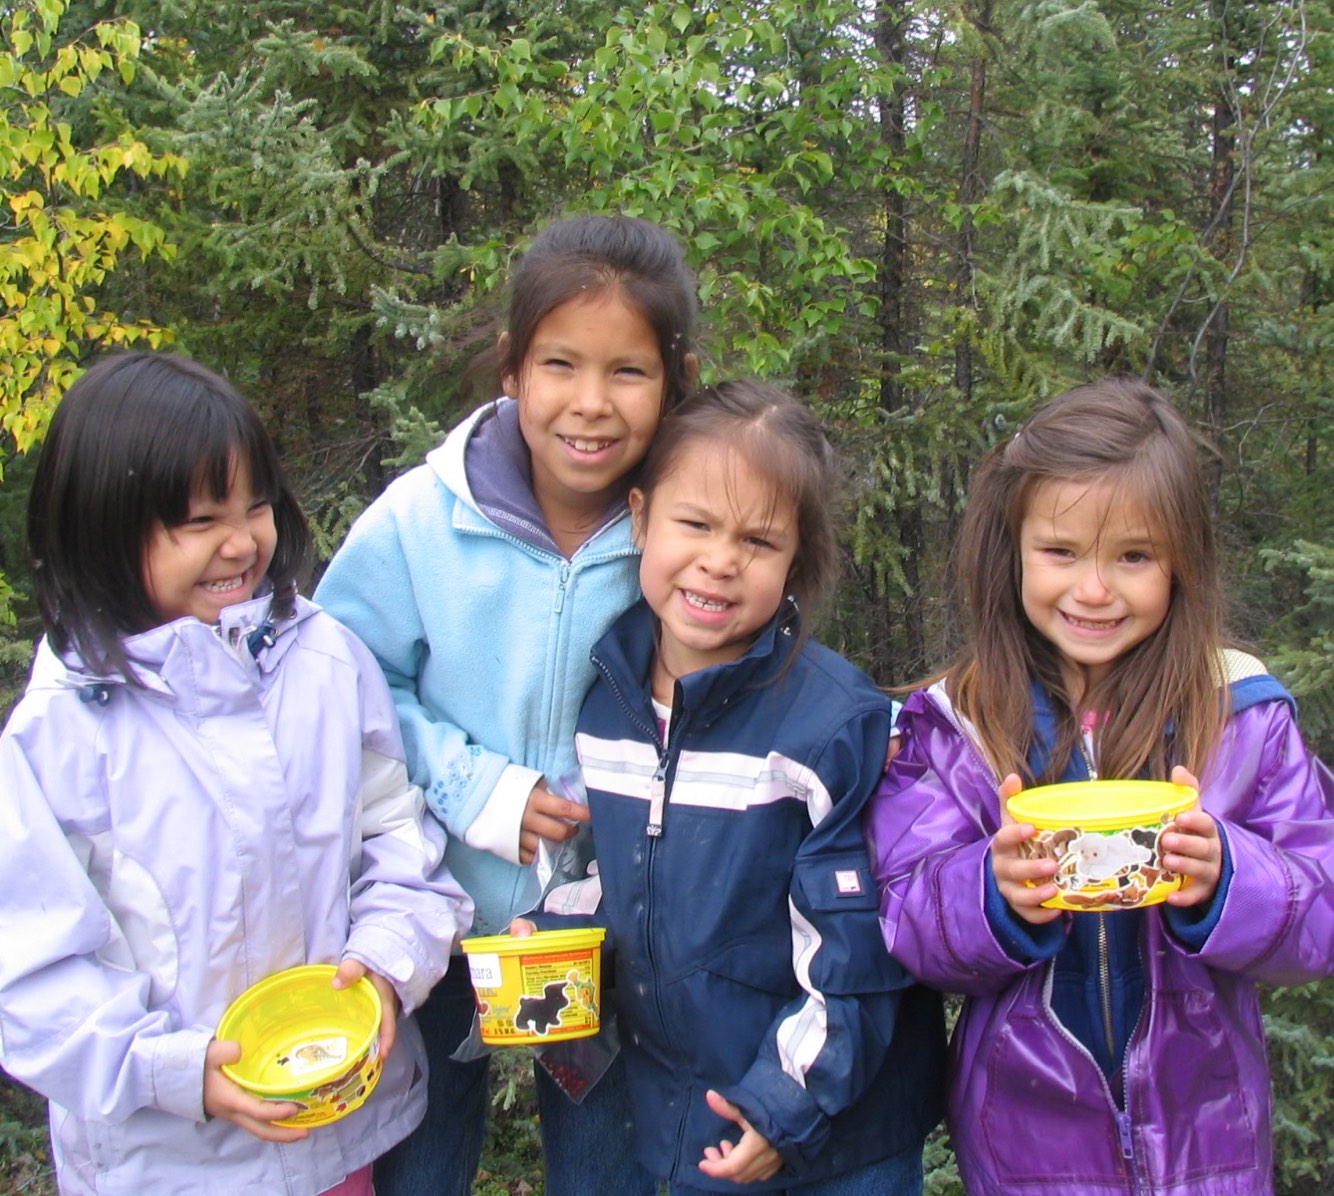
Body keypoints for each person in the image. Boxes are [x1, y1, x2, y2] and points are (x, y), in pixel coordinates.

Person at [0, 352, 472, 1196]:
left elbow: (400, 839)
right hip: (162, 1166)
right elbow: (29, 974)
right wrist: (176, 1074)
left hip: (335, 1132)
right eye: (197, 520)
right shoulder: (61, 734)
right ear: (102, 529)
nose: (241, 541)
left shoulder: (323, 661)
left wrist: (386, 963)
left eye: (254, 504)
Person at [865, 378, 1334, 1195]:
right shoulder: (958, 725)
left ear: (1182, 561)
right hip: (1023, 1144)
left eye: (1134, 557)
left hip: (1211, 1142)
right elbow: (905, 914)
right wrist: (993, 893)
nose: (1093, 590)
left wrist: (1230, 878)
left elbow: (1320, 909)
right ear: (1009, 549)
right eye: (1061, 552)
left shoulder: (1238, 715)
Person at [314, 213, 701, 1195]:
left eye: (627, 371)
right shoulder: (420, 520)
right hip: (427, 917)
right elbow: (339, 682)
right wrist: (473, 784)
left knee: (605, 1168)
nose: (589, 403)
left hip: (606, 928)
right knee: (419, 1161)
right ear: (510, 369)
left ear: (675, 379)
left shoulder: (688, 530)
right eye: (559, 364)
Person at [516, 380, 946, 1194]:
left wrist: (787, 1105)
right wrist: (547, 935)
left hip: (831, 1135)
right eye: (695, 523)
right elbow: (614, 871)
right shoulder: (607, 703)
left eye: (757, 539)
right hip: (687, 1114)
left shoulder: (832, 728)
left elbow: (856, 955)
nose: (719, 559)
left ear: (795, 561)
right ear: (641, 518)